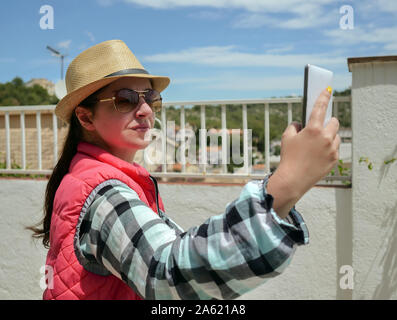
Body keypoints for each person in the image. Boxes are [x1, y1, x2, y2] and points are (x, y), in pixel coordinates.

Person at [28, 39, 340, 300]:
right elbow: (166, 276)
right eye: (125, 100)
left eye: (150, 97)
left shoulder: (100, 179)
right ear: (85, 118)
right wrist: (287, 184)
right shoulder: (103, 192)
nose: (146, 110)